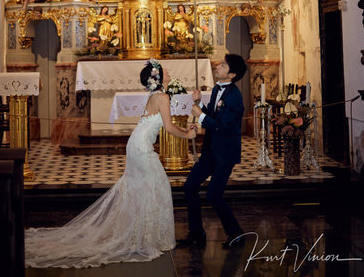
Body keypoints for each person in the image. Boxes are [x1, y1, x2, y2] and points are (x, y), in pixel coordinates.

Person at [25, 59, 196, 268]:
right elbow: (169, 127)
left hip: (136, 144)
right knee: (158, 185)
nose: (169, 73)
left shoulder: (158, 95)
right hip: (141, 148)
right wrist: (187, 135)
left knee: (145, 187)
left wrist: (193, 101)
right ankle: (148, 237)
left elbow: (171, 111)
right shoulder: (161, 96)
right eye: (166, 71)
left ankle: (143, 234)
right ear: (159, 78)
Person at [181, 54, 246, 249]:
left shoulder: (235, 97)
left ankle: (236, 234)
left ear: (232, 74)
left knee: (213, 195)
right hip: (211, 150)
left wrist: (200, 117)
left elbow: (223, 127)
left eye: (223, 65)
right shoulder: (218, 88)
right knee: (190, 186)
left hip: (225, 153)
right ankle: (197, 233)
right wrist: (201, 105)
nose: (217, 66)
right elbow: (213, 115)